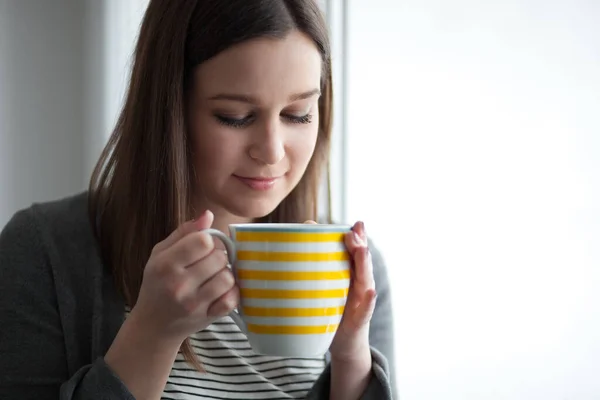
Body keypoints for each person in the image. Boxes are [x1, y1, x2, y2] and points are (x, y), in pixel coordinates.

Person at [0, 0, 396, 399]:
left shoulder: (354, 268)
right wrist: (150, 335)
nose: (272, 151)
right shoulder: (42, 253)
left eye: (298, 114)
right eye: (235, 116)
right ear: (169, 107)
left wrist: (350, 359)